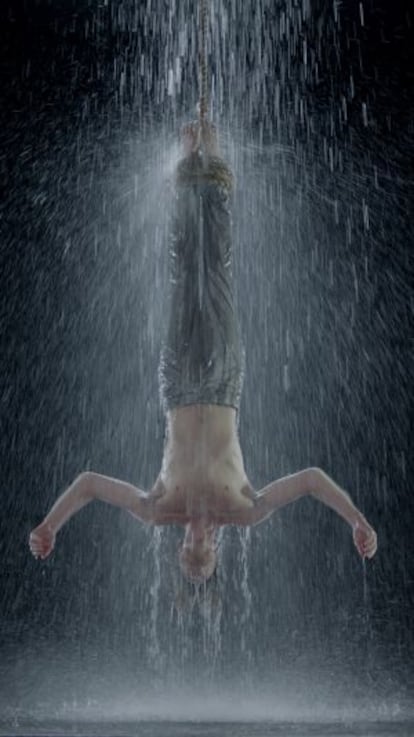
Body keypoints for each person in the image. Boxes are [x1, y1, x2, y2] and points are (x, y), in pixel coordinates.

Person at [29, 120, 377, 582]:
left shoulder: (157, 509)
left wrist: (51, 525)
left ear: (179, 545)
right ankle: (210, 163)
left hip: (175, 383)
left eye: (190, 545)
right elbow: (311, 480)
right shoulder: (244, 510)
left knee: (181, 276)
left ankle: (186, 167)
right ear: (217, 546)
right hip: (222, 382)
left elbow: (90, 484)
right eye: (206, 547)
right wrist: (356, 519)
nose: (200, 535)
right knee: (216, 275)